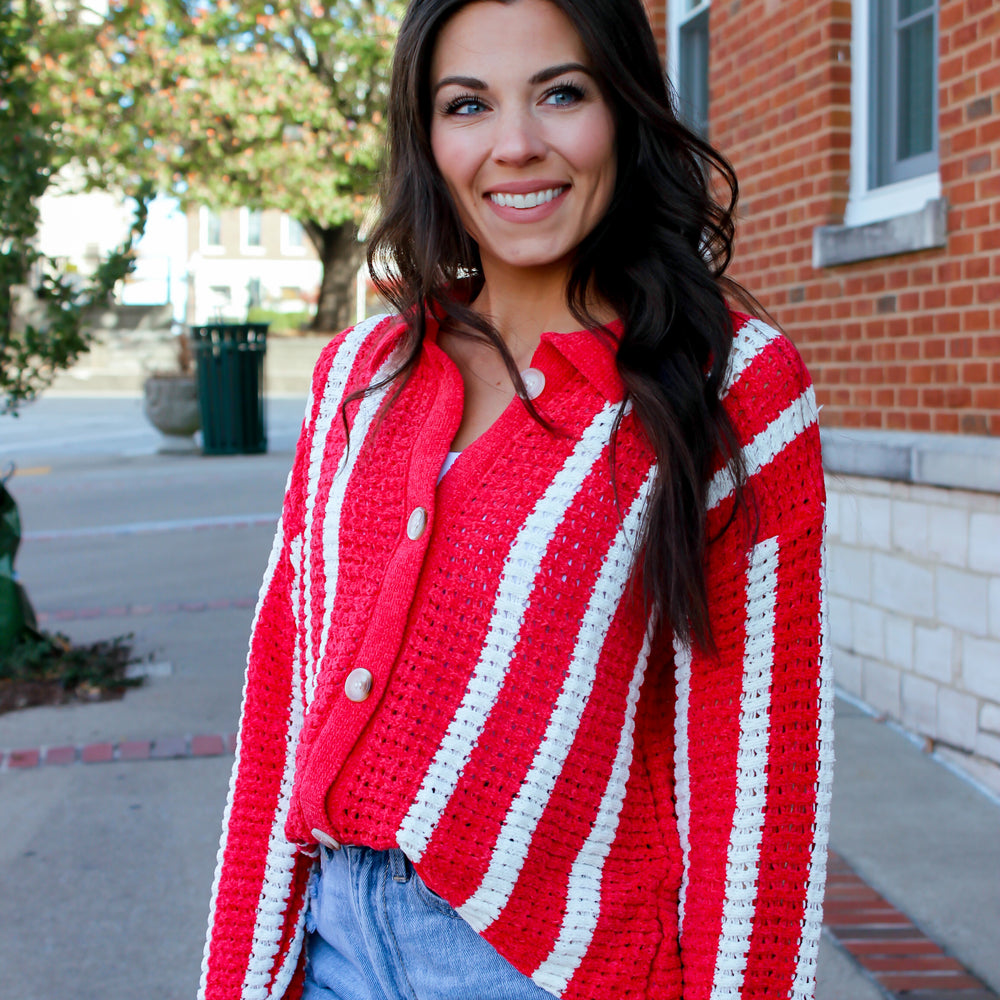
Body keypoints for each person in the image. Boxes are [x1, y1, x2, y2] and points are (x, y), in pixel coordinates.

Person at [198, 0, 831, 997]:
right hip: (334, 947)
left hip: (544, 966)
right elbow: (286, 690)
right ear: (428, 138)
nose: (517, 146)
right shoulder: (362, 373)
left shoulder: (729, 385)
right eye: (467, 105)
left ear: (622, 110)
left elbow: (754, 774)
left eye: (561, 94)